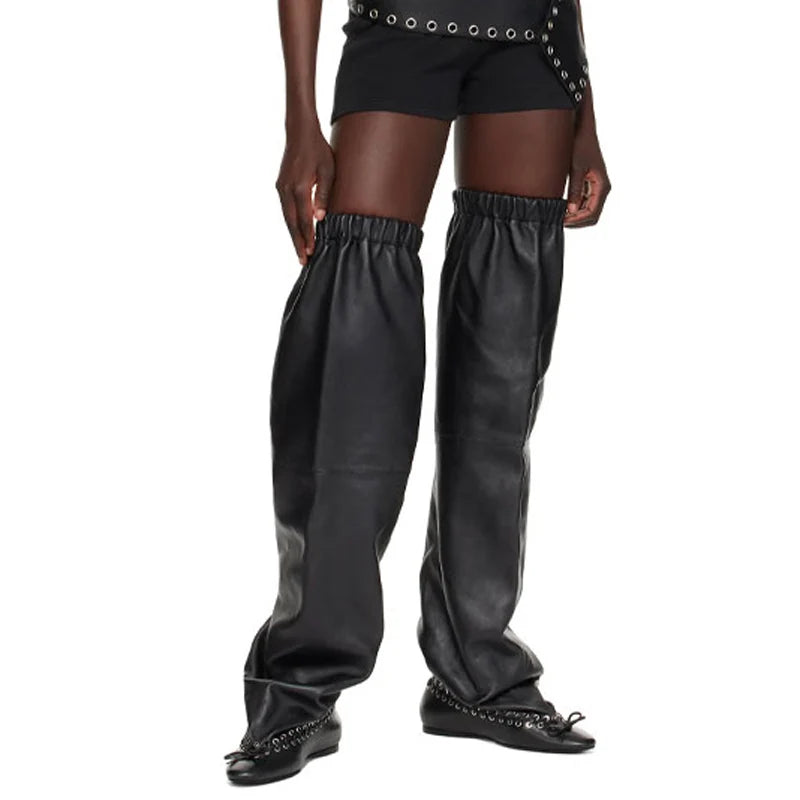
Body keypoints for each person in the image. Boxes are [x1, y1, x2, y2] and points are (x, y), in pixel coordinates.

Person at [225, 0, 611, 785]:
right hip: (401, 26)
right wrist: (301, 118)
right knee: (352, 366)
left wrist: (585, 111)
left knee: (501, 382)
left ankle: (476, 674)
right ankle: (299, 684)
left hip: (535, 45)